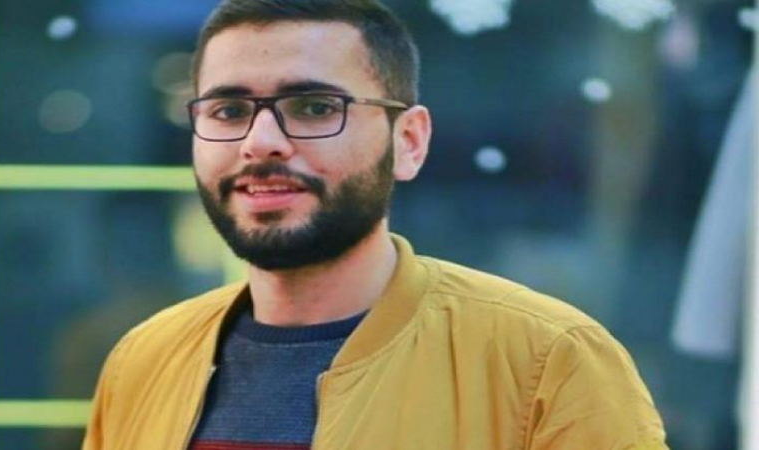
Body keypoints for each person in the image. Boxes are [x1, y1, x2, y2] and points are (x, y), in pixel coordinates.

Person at [82, 0, 670, 449]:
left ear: (408, 142)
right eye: (229, 111)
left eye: (315, 108)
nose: (260, 143)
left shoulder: (548, 361)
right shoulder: (145, 359)